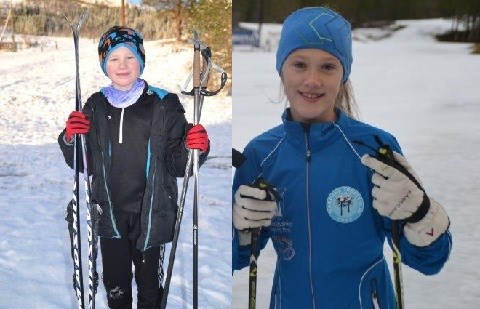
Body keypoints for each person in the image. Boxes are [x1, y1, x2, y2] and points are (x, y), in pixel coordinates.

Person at [232, 7, 452, 308]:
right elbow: (239, 258)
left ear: (343, 75)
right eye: (299, 64)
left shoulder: (375, 148)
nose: (312, 80)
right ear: (281, 70)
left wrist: (419, 213)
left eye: (327, 67)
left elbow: (430, 262)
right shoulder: (260, 154)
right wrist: (241, 233)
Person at [58, 26, 210, 308]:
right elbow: (83, 162)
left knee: (150, 287)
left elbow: (178, 164)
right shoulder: (95, 104)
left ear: (140, 60)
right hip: (109, 214)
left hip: (152, 214)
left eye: (130, 57)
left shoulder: (164, 104)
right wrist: (70, 138)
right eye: (114, 59)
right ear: (105, 65)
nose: (122, 65)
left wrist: (194, 148)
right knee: (115, 286)